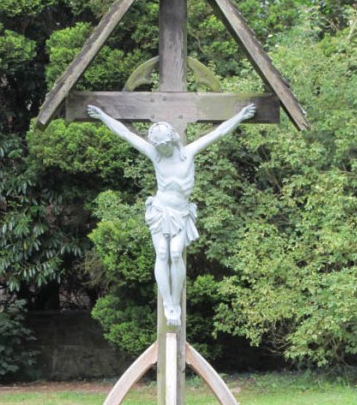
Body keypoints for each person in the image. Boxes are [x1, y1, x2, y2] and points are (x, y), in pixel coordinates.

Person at [87, 102, 256, 326]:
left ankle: (175, 302)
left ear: (172, 140)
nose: (161, 150)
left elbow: (219, 132)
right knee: (162, 253)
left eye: (164, 146)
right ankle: (167, 303)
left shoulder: (188, 153)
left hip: (181, 211)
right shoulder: (156, 156)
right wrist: (102, 116)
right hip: (160, 209)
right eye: (158, 147)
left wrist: (241, 116)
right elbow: (126, 134)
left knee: (175, 254)